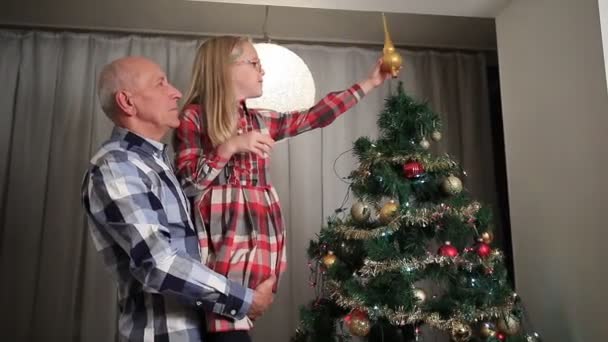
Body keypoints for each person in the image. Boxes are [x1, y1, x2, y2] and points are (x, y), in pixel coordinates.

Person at [174, 36, 392, 341]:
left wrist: (369, 82)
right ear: (224, 70)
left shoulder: (261, 119)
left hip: (260, 237)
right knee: (223, 323)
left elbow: (315, 116)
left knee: (239, 317)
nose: (262, 71)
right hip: (224, 238)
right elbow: (188, 182)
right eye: (254, 63)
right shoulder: (195, 117)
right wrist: (230, 146)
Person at [81, 56, 275, 342]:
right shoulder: (117, 167)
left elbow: (198, 189)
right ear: (127, 102)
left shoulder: (160, 164)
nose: (177, 92)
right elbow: (157, 263)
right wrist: (245, 299)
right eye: (160, 84)